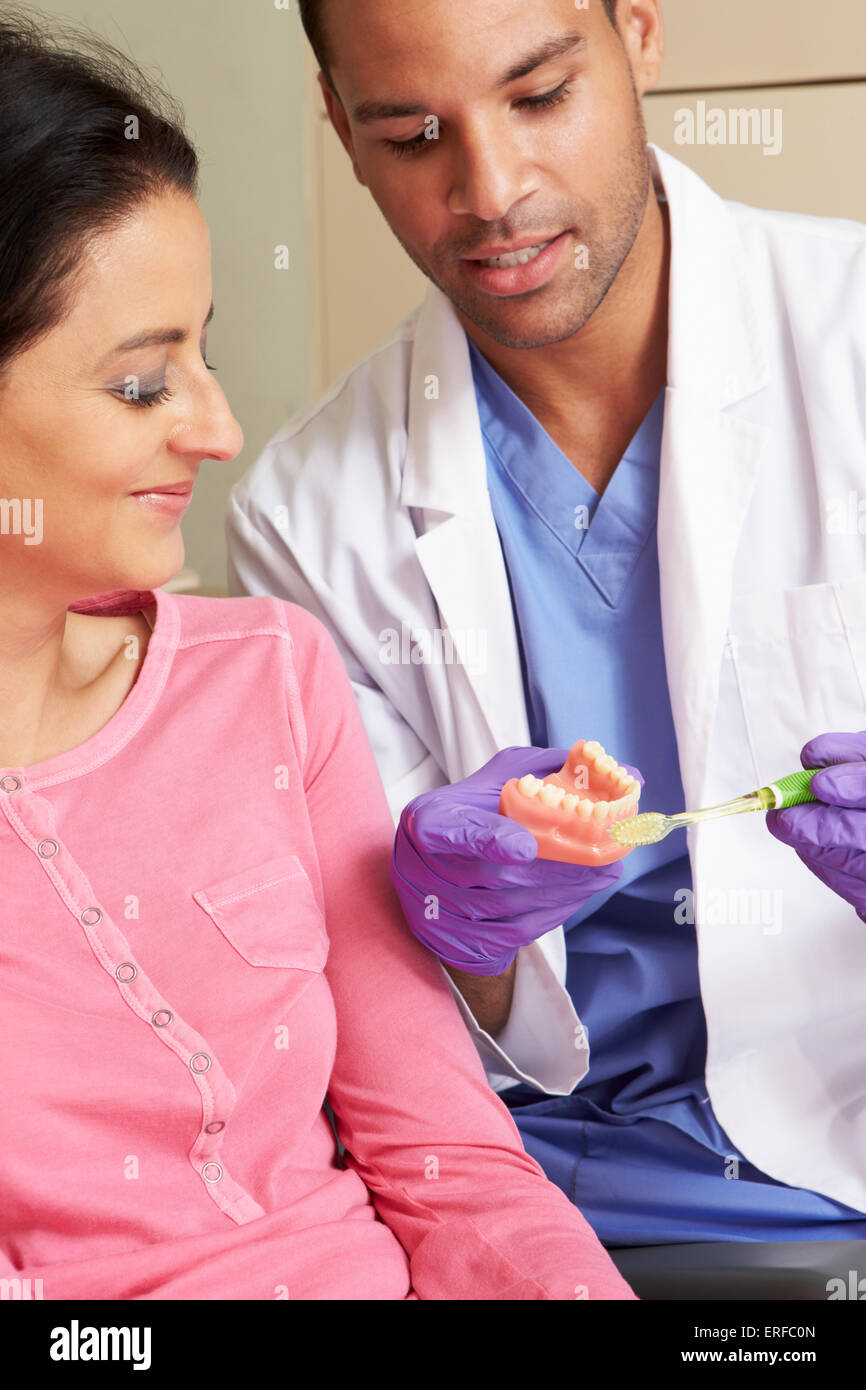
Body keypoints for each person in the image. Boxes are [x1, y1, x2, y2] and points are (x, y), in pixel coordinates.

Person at [0, 9, 637, 1300]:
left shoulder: (266, 679)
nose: (221, 428)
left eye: (206, 349)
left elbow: (448, 1159)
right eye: (140, 384)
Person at [226, 0, 866, 1243]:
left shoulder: (847, 337)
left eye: (536, 97)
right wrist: (453, 928)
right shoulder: (306, 511)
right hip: (536, 1178)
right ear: (341, 134)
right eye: (413, 135)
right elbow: (391, 1018)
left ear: (638, 35)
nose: (491, 190)